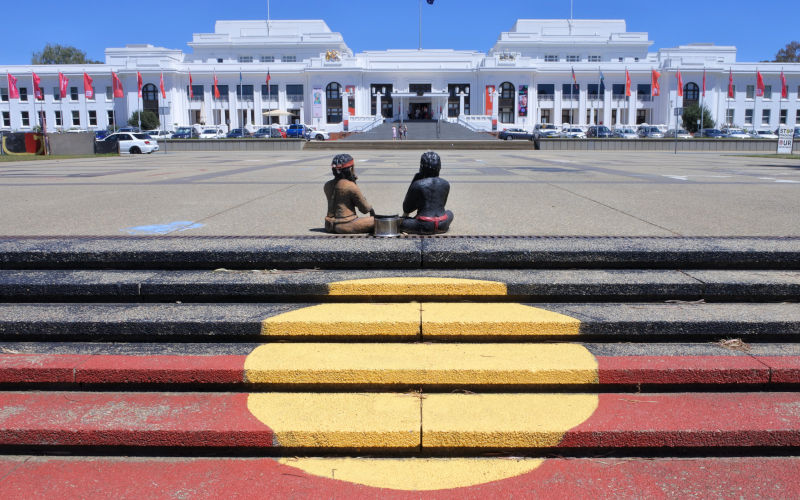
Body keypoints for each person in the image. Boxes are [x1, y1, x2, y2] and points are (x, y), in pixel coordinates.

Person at [400, 151, 454, 234]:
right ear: (439, 167)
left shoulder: (418, 184)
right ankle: (440, 226)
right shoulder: (446, 184)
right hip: (442, 224)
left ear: (421, 168)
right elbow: (440, 205)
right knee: (450, 213)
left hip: (424, 224)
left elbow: (407, 208)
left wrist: (415, 180)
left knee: (399, 222)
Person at [324, 154, 375, 234]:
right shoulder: (350, 186)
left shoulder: (327, 185)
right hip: (345, 224)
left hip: (329, 225)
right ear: (350, 169)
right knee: (378, 221)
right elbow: (364, 209)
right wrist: (371, 209)